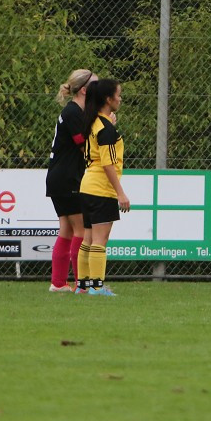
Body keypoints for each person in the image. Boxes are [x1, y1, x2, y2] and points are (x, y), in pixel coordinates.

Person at [45, 69, 97, 293]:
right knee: (82, 231)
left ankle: (58, 284)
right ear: (84, 90)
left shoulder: (78, 111)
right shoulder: (73, 111)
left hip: (59, 177)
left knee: (66, 230)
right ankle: (81, 285)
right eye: (96, 85)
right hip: (67, 178)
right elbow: (83, 143)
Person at [76, 79, 129, 296]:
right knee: (100, 239)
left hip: (87, 186)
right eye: (118, 95)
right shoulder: (105, 129)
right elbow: (108, 163)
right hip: (100, 188)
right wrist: (120, 192)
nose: (120, 99)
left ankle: (83, 285)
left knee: (88, 238)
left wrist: (110, 124)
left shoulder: (95, 123)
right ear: (108, 99)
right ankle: (97, 287)